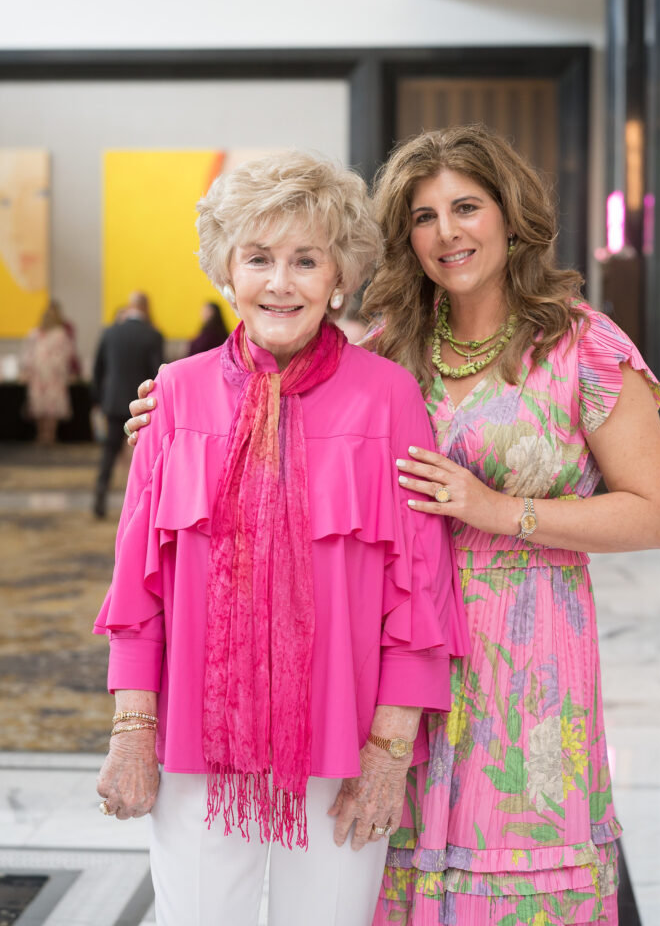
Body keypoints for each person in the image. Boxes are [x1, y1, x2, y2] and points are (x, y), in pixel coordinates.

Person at [125, 126, 660, 926]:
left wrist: (495, 511)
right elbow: (285, 381)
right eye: (424, 216)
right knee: (388, 886)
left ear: (512, 215)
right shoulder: (392, 348)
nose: (447, 232)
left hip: (521, 656)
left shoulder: (582, 347)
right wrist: (169, 410)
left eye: (467, 207)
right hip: (379, 665)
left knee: (512, 875)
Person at [94, 152, 468, 926]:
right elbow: (138, 588)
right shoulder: (174, 394)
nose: (280, 282)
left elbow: (423, 590)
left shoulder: (389, 398)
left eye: (306, 260)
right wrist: (133, 733)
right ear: (226, 274)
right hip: (196, 744)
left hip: (344, 744)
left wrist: (390, 753)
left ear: (340, 278)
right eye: (258, 258)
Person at [91, 291, 164, 518]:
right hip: (143, 405)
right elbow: (158, 373)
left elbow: (97, 370)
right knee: (143, 456)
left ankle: (100, 496)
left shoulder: (110, 333)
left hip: (113, 402)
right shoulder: (153, 335)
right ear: (146, 308)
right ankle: (141, 508)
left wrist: (99, 399)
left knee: (109, 452)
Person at [21, 300, 76, 445]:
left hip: (54, 377)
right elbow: (28, 353)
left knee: (52, 409)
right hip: (38, 377)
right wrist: (27, 369)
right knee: (39, 408)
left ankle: (50, 436)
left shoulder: (60, 334)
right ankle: (41, 435)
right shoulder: (35, 334)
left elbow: (65, 355)